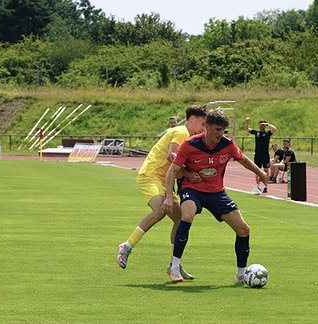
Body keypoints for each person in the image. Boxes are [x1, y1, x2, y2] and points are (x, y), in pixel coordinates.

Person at [163, 108, 268, 284]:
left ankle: (241, 275)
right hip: (193, 189)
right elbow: (172, 170)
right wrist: (168, 196)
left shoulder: (227, 145)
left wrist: (261, 174)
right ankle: (174, 268)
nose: (221, 134)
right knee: (186, 216)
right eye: (218, 130)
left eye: (223, 130)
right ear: (206, 127)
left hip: (216, 192)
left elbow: (244, 160)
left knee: (243, 229)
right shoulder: (190, 144)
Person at [117, 105, 207, 279]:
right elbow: (172, 156)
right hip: (150, 176)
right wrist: (189, 172)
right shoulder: (182, 132)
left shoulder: (189, 137)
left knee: (181, 220)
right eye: (203, 124)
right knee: (160, 210)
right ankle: (127, 246)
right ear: (192, 119)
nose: (204, 128)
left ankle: (174, 265)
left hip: (163, 180)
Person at [244, 117, 277, 193]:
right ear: (259, 126)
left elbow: (275, 129)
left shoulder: (268, 133)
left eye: (263, 125)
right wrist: (247, 122)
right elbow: (246, 129)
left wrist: (267, 124)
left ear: (265, 126)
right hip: (258, 154)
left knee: (266, 170)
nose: (262, 126)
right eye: (261, 125)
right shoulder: (256, 133)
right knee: (257, 170)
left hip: (265, 154)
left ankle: (266, 186)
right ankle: (258, 186)